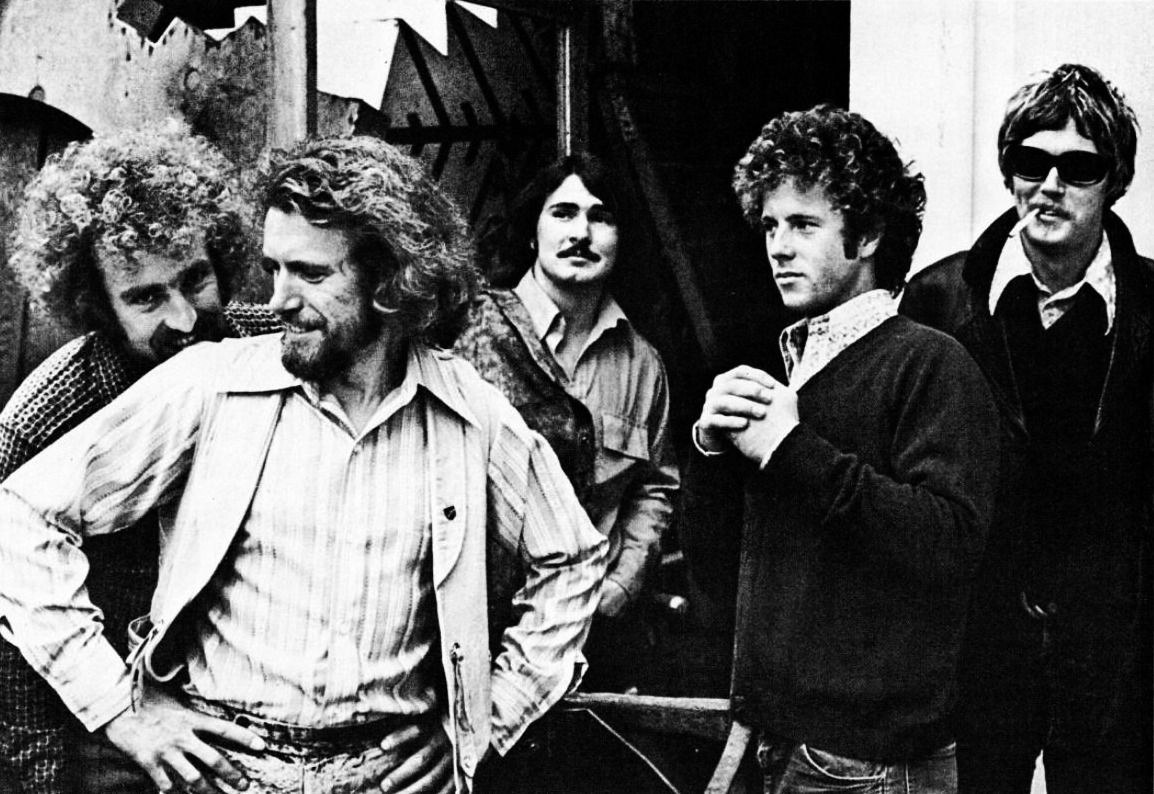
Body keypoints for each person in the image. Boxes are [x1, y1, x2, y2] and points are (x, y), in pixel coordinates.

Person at [0, 136, 607, 794]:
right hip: (220, 767)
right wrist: (117, 708)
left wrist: (483, 719)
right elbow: (19, 521)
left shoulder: (467, 409)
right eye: (274, 269)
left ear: (390, 278)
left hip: (389, 773)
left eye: (310, 274)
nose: (278, 300)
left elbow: (572, 561)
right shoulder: (207, 382)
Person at [682, 105, 999, 794]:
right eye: (770, 225)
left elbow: (949, 545)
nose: (778, 246)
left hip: (869, 764)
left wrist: (790, 448)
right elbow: (717, 567)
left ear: (869, 234)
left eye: (804, 224)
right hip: (774, 743)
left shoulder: (932, 363)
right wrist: (711, 453)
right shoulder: (786, 369)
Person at [0, 124, 282, 794]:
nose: (185, 319)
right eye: (146, 297)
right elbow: (8, 616)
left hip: (258, 729)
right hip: (113, 743)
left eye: (195, 279)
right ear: (96, 305)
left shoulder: (276, 349)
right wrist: (51, 774)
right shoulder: (47, 416)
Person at [901, 63, 1153, 793]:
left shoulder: (1151, 307)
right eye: (1030, 162)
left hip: (1112, 651)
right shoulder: (938, 300)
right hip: (976, 641)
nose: (1050, 185)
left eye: (1079, 168)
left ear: (1115, 180)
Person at [454, 153, 679, 693]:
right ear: (532, 233)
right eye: (562, 213)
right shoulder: (470, 332)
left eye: (601, 217)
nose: (581, 232)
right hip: (482, 627)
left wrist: (623, 584)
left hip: (594, 632)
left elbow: (655, 485)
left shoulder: (642, 364)